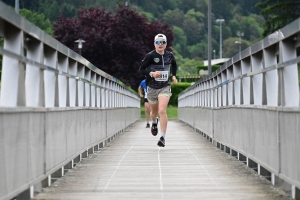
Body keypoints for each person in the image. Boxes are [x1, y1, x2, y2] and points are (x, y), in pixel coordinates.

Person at [139, 33, 178, 147]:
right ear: (154, 44)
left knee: (162, 111)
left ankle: (162, 137)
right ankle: (154, 122)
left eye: (162, 42)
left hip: (165, 86)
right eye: (158, 42)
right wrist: (152, 73)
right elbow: (141, 69)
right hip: (151, 87)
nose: (160, 45)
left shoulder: (169, 55)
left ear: (166, 44)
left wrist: (174, 75)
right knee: (154, 113)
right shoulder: (150, 56)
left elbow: (174, 65)